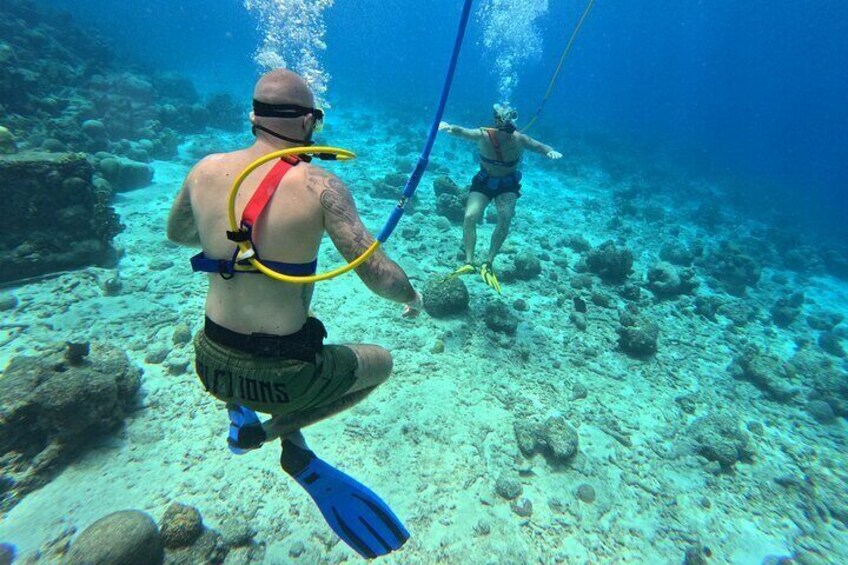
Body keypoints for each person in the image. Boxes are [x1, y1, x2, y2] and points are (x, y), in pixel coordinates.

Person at [166, 68, 421, 559]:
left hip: (209, 363)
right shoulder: (319, 183)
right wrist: (414, 297)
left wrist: (230, 235)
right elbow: (380, 278)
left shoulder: (204, 170)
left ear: (253, 117)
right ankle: (277, 436)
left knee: (245, 348)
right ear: (308, 121)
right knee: (381, 363)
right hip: (285, 375)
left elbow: (178, 235)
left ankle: (238, 414)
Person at [439, 103, 562, 292]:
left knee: (505, 218)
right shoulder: (483, 135)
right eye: (506, 120)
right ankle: (469, 261)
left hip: (507, 184)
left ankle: (488, 262)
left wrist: (549, 151)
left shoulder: (520, 139)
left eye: (512, 119)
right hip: (484, 181)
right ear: (497, 120)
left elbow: (539, 146)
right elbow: (463, 132)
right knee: (470, 216)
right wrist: (449, 128)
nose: (510, 125)